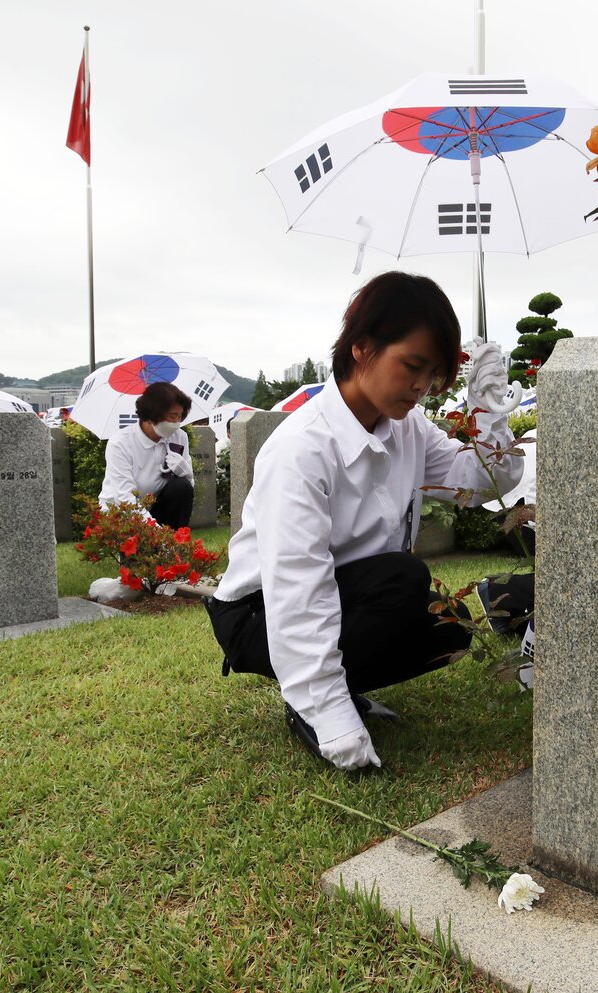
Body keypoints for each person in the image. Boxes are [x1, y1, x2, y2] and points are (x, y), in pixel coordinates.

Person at [205, 271, 520, 772]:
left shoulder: (408, 427)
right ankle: (310, 701)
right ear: (362, 347)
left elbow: (479, 483)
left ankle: (333, 688)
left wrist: (490, 414)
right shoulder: (302, 450)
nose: (423, 387)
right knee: (405, 578)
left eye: (434, 373)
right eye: (412, 366)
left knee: (449, 629)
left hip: (353, 588)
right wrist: (333, 720)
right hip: (258, 613)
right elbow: (298, 591)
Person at [98, 381, 195, 529]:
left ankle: (175, 544)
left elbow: (188, 487)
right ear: (151, 414)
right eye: (172, 416)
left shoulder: (179, 437)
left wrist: (186, 472)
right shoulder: (120, 443)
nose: (177, 423)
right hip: (122, 513)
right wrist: (156, 533)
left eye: (180, 417)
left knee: (182, 487)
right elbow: (124, 497)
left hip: (156, 507)